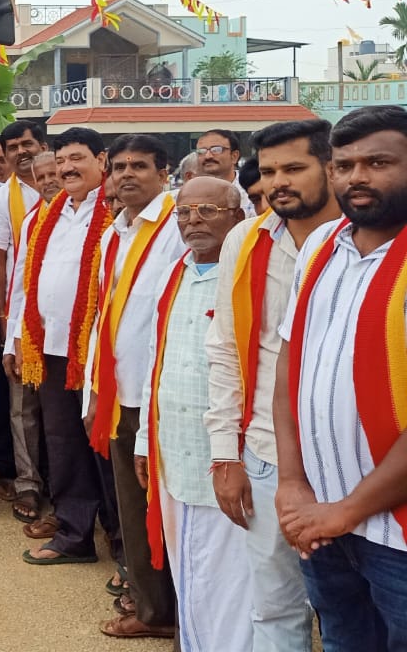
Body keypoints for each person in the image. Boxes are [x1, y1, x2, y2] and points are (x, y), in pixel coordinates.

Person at [275, 105, 407, 650]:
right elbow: (290, 366)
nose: (357, 177)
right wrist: (291, 484)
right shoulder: (322, 246)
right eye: (344, 164)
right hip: (320, 522)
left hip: (394, 535)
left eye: (378, 162)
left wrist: (343, 512)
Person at [205, 120, 335, 651]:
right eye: (270, 171)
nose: (279, 182)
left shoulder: (369, 239)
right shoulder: (247, 238)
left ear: (330, 167)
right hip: (263, 456)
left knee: (359, 610)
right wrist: (224, 456)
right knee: (276, 608)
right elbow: (226, 348)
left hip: (352, 463)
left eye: (294, 168)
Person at [135, 177, 249, 651]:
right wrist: (145, 439)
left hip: (230, 460)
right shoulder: (173, 273)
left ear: (237, 217)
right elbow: (154, 363)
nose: (193, 221)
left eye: (207, 210)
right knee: (191, 576)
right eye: (183, 213)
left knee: (236, 587)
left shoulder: (246, 274)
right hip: (174, 452)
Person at [6, 128, 121, 569]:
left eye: (78, 159)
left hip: (96, 354)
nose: (68, 168)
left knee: (104, 445)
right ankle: (75, 534)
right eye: (63, 161)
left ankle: (121, 540)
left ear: (101, 160)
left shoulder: (115, 213)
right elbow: (24, 282)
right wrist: (16, 337)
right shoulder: (44, 216)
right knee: (63, 443)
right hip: (48, 349)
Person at [85, 134, 184, 641]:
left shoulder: (179, 226)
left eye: (139, 166)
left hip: (165, 398)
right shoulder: (113, 234)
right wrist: (92, 392)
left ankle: (182, 610)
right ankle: (154, 609)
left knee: (172, 508)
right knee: (132, 503)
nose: (126, 174)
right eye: (119, 165)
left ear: (163, 174)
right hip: (121, 394)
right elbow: (108, 317)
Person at [0, 119, 47, 525]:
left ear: (43, 145)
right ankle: (29, 482)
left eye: (28, 144)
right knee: (22, 406)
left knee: (64, 407)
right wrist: (7, 322)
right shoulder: (2, 201)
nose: (21, 152)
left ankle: (66, 481)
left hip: (74, 317)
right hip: (22, 315)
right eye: (13, 148)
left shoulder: (71, 189)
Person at [196, 129, 256, 213]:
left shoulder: (252, 194)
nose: (208, 156)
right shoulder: (185, 196)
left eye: (216, 150)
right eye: (201, 151)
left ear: (234, 156)